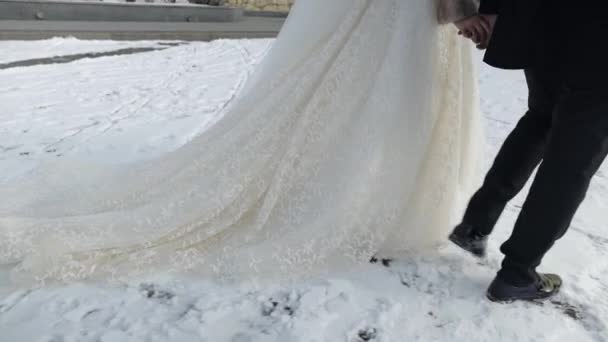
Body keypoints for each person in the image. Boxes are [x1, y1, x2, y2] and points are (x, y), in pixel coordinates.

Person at [0, 0, 485, 285]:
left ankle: (361, 194)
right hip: (411, 14)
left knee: (358, 99)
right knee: (389, 101)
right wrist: (465, 9)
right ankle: (371, 203)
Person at [450, 0, 608, 302]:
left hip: (545, 24)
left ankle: (474, 226)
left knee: (541, 120)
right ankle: (517, 272)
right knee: (573, 161)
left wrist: (494, 9)